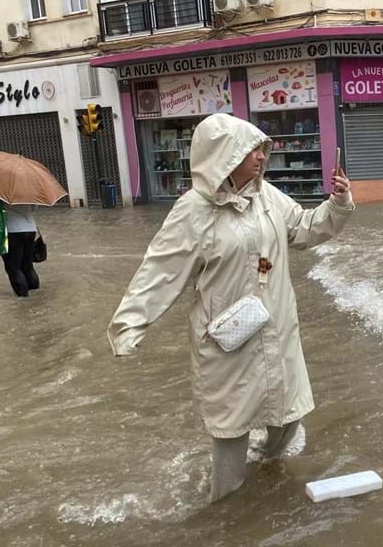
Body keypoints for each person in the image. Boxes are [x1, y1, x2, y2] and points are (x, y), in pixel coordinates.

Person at [106, 113, 354, 503]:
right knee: (231, 429)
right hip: (228, 340)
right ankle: (224, 510)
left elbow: (303, 228)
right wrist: (130, 325)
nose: (260, 156)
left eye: (261, 149)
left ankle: (266, 467)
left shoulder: (267, 197)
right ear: (225, 156)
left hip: (276, 328)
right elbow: (160, 270)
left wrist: (337, 204)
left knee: (288, 415)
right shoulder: (193, 211)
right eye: (251, 149)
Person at [0, 193, 39, 297]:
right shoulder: (28, 187)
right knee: (27, 265)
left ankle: (23, 299)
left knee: (13, 267)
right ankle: (36, 295)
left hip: (11, 230)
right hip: (30, 229)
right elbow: (34, 208)